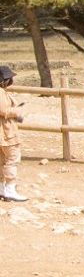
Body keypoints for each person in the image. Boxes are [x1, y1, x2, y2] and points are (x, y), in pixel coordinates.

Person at [0, 65, 28, 202]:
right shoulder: (0, 93)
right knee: (12, 159)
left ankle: (2, 188)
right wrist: (17, 112)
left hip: (3, 133)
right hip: (6, 133)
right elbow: (3, 111)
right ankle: (10, 189)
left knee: (2, 161)